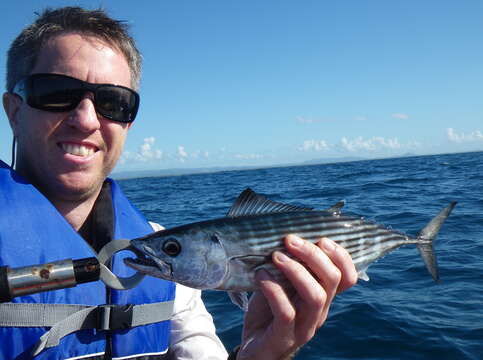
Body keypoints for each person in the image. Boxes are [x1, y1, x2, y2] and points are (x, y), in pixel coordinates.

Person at [0, 6, 357, 360]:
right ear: (14, 110)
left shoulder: (165, 262)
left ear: (127, 125)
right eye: (56, 92)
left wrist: (262, 354)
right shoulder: (166, 250)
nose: (87, 119)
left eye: (114, 102)